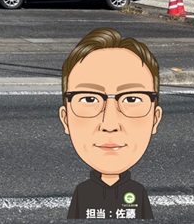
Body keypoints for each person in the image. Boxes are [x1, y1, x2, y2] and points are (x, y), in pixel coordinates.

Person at [59, 27, 162, 219]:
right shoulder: (82, 191)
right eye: (89, 99)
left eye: (132, 99)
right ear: (65, 119)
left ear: (155, 119)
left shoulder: (138, 191)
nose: (110, 123)